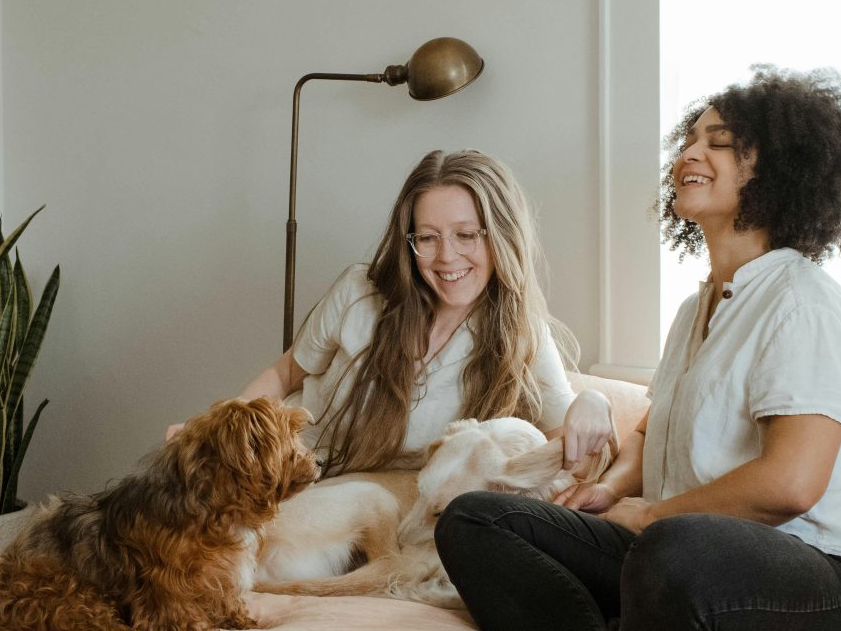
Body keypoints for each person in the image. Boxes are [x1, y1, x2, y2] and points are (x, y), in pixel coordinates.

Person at [435, 66, 841, 631]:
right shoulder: (698, 308)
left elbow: (792, 483)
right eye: (690, 139)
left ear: (778, 168)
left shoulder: (801, 303)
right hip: (681, 550)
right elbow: (652, 428)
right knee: (476, 520)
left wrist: (653, 516)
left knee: (672, 551)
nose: (689, 152)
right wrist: (610, 490)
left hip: (836, 577)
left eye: (719, 142)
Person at [174, 149, 612, 477]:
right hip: (290, 475)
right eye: (427, 237)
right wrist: (210, 433)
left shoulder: (521, 332)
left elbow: (566, 441)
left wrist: (594, 401)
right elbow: (286, 374)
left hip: (381, 508)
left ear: (500, 236)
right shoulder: (359, 292)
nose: (446, 257)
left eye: (466, 235)